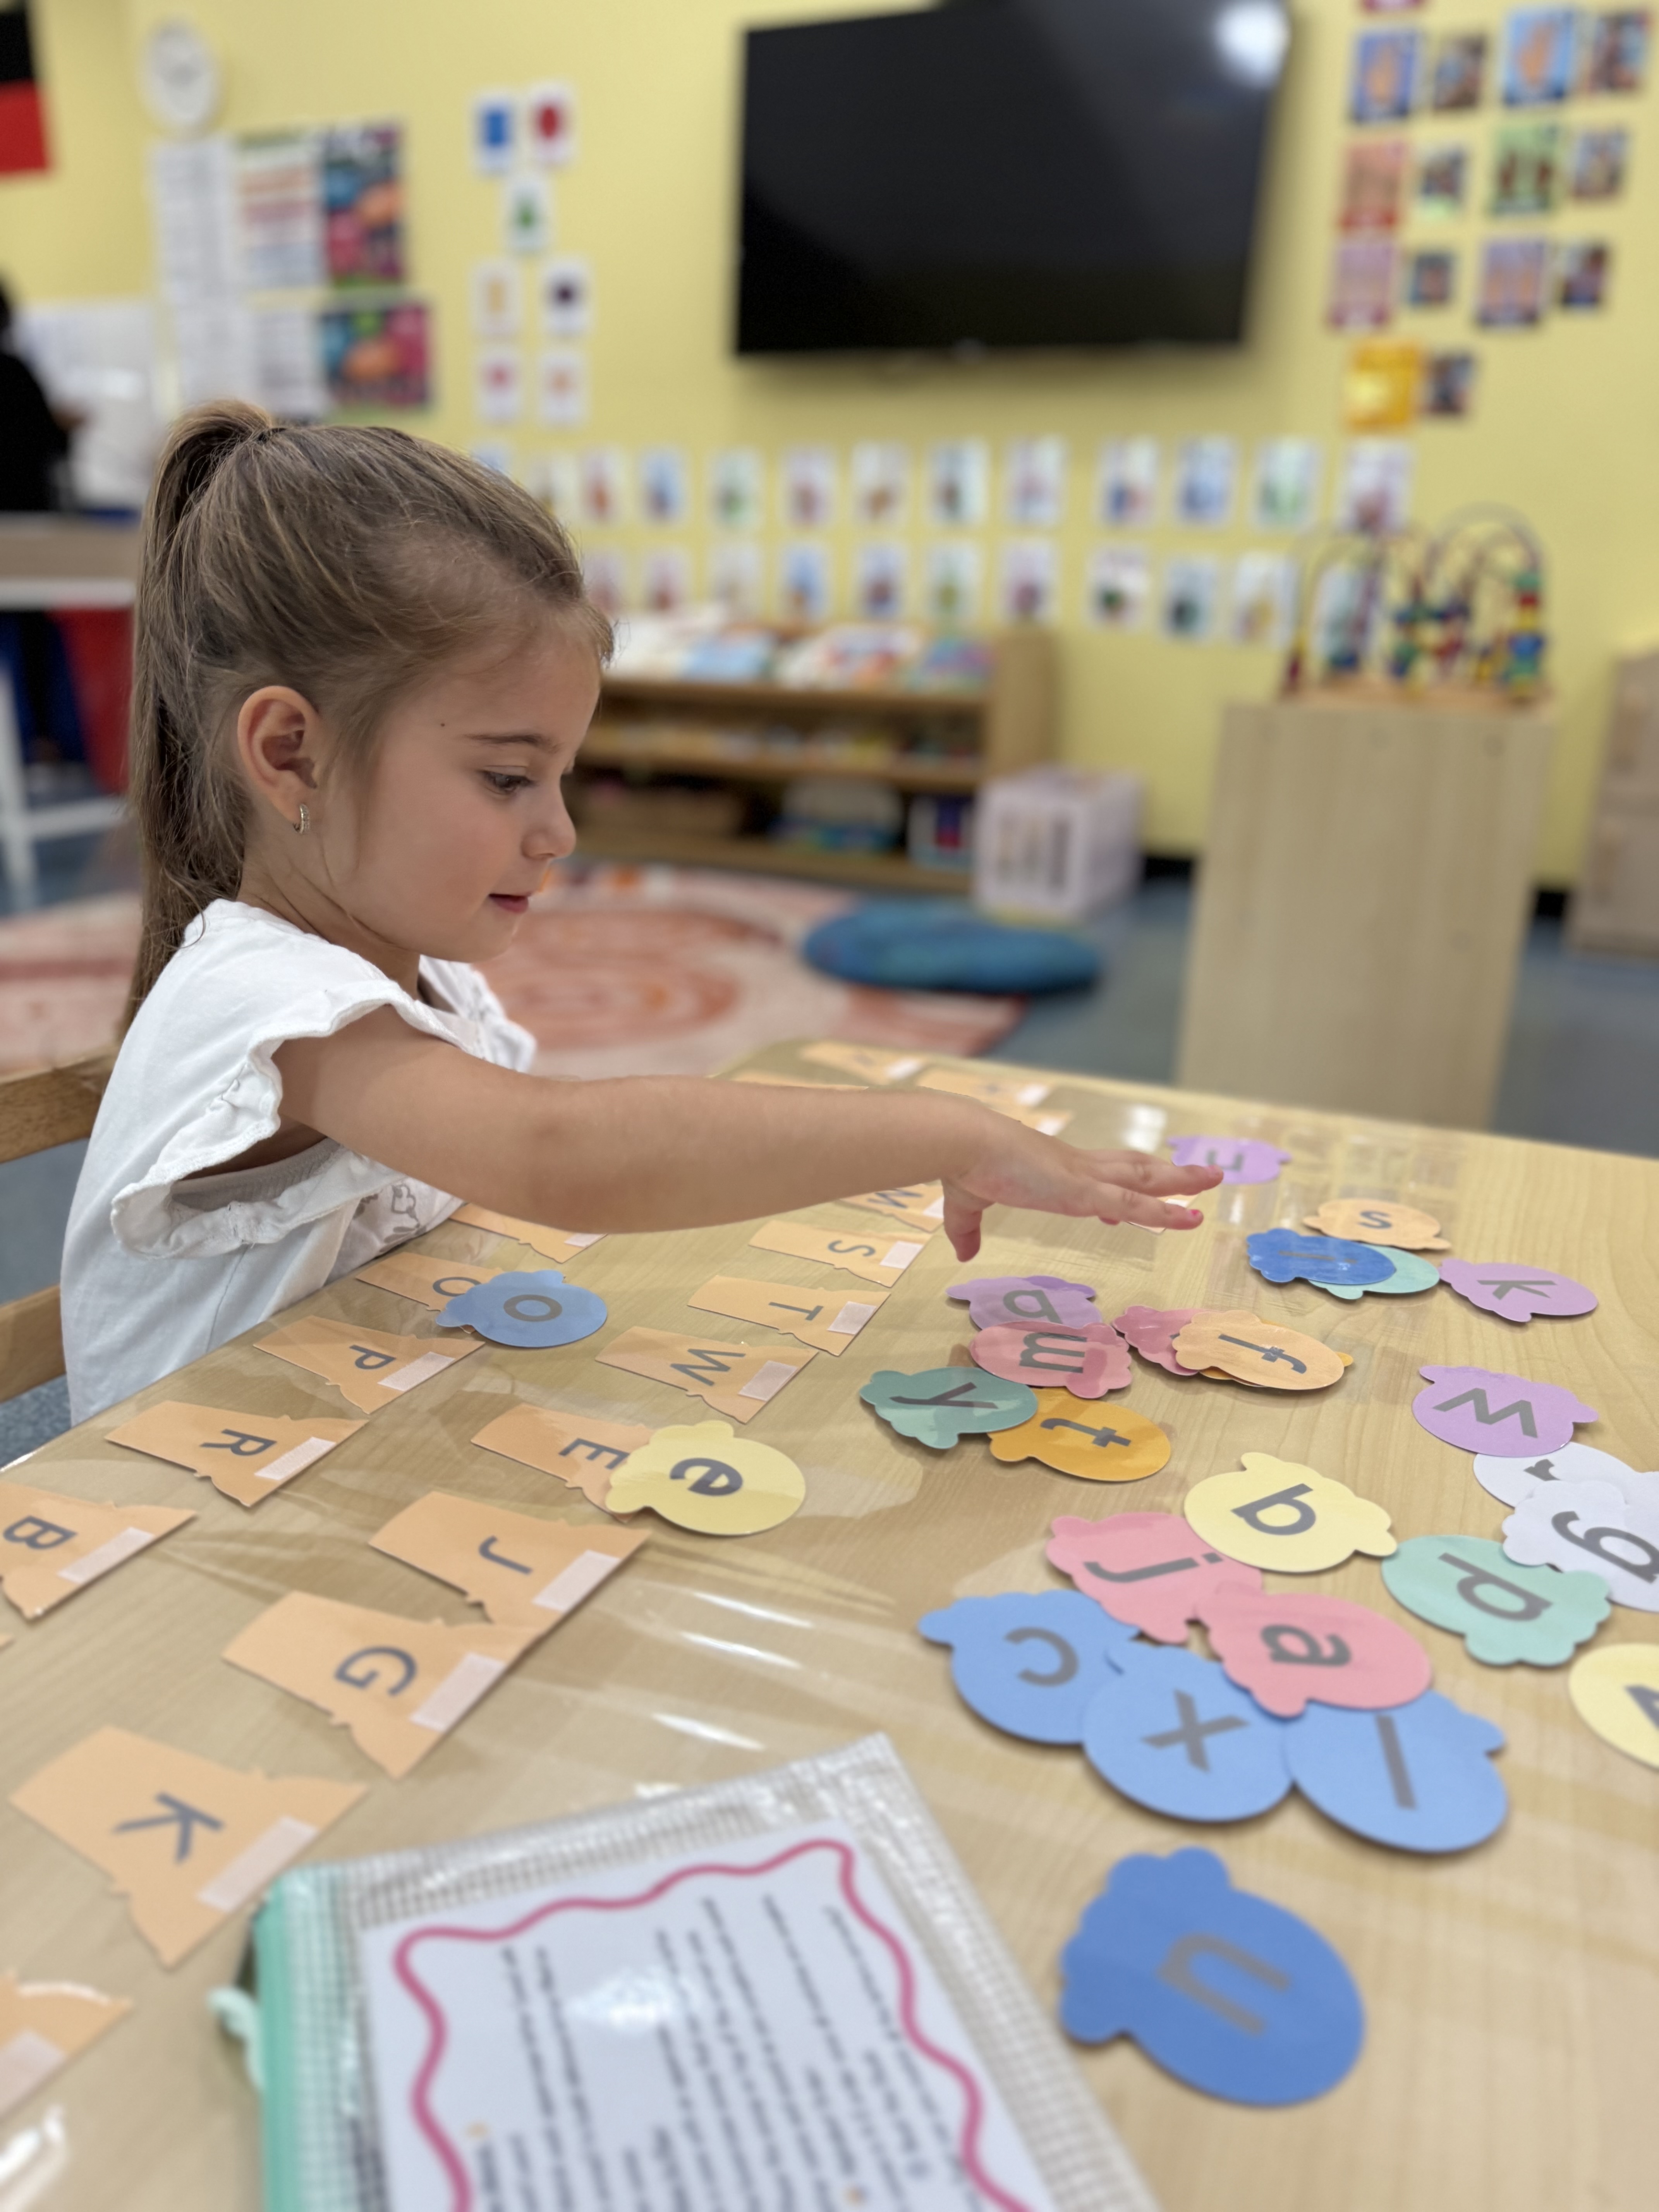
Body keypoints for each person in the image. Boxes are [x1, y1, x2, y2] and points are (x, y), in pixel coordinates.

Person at [61, 404, 1219, 1420]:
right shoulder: (262, 999)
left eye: (562, 778)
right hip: (159, 1548)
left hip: (334, 1433)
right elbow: (555, 1155)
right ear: (290, 754)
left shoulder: (421, 979)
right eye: (509, 779)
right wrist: (948, 1134)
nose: (558, 832)